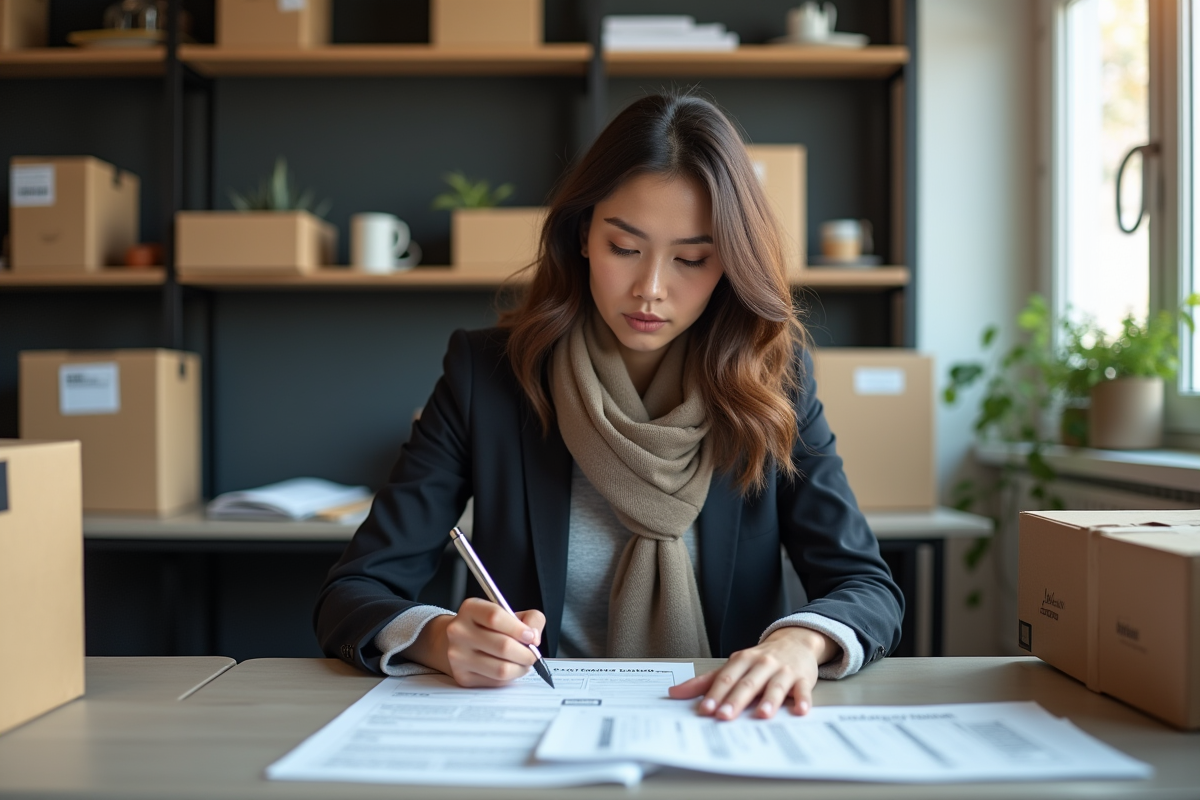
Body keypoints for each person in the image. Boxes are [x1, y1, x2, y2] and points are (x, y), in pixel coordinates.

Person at [315, 93, 904, 722]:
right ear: (583, 237)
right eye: (625, 248)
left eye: (691, 259)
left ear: (730, 265)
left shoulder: (772, 380)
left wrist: (799, 643)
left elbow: (867, 587)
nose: (651, 288)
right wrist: (438, 639)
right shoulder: (486, 376)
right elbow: (354, 592)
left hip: (724, 724)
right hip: (534, 720)